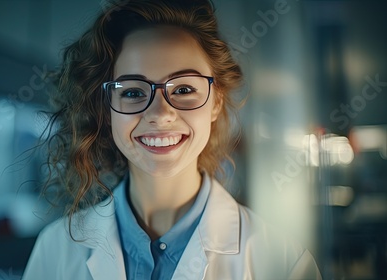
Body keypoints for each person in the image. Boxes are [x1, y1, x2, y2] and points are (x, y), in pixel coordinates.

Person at [23, 0, 322, 279]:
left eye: (183, 90)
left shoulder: (284, 263)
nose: (161, 114)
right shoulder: (55, 250)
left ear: (216, 101)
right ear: (107, 109)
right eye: (132, 92)